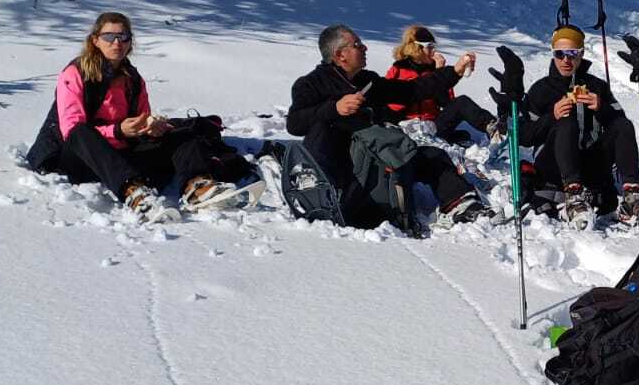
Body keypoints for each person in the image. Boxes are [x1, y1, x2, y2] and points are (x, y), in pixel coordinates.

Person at [26, 12, 254, 220]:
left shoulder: (133, 79)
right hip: (78, 159)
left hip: (120, 155)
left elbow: (142, 120)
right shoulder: (75, 73)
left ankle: (198, 187)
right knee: (81, 132)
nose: (117, 43)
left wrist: (151, 128)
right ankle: (133, 193)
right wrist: (118, 131)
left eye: (123, 37)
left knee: (181, 134)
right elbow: (71, 130)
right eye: (109, 37)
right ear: (95, 40)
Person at [287, 23, 487, 229]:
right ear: (340, 55)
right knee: (324, 131)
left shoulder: (367, 81)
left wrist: (454, 72)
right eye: (357, 45)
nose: (365, 48)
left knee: (433, 157)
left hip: (381, 158)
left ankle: (462, 205)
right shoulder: (310, 84)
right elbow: (294, 123)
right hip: (344, 174)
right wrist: (334, 108)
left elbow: (412, 90)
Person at [521, 26, 639, 226]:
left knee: (623, 124)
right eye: (559, 54)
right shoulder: (541, 90)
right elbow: (524, 136)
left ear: (581, 54)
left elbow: (622, 128)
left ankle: (632, 196)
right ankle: (573, 194)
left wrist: (601, 108)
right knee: (566, 122)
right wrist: (551, 116)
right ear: (553, 54)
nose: (566, 60)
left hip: (591, 164)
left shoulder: (596, 86)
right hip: (553, 166)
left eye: (572, 53)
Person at [384, 24, 498, 145]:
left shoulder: (434, 69)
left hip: (434, 125)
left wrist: (440, 73)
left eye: (434, 47)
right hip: (408, 129)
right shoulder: (398, 69)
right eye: (429, 47)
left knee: (462, 102)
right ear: (416, 48)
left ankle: (495, 129)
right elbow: (389, 104)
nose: (434, 51)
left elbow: (446, 102)